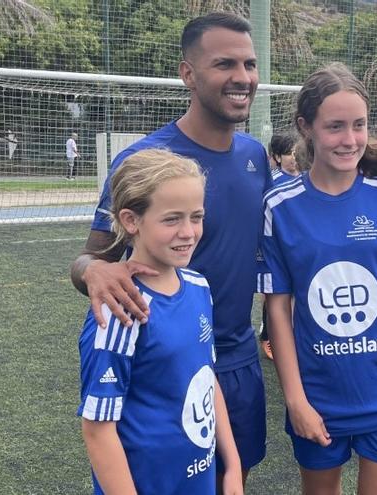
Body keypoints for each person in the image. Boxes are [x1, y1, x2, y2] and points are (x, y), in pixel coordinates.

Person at [69, 12, 269, 485]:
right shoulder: (144, 162)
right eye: (224, 64)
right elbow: (92, 258)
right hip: (165, 363)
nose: (242, 78)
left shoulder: (255, 156)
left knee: (234, 476)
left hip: (233, 360)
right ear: (188, 73)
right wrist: (93, 272)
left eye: (249, 64)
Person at [259, 63, 377, 495]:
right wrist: (295, 400)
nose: (350, 139)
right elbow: (278, 310)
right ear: (306, 128)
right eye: (335, 126)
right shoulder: (280, 205)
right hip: (318, 396)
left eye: (359, 125)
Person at [78, 149, 242, 495]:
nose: (188, 232)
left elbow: (205, 378)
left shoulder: (198, 287)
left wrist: (232, 465)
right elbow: (97, 429)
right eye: (171, 219)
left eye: (196, 217)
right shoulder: (121, 310)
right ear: (131, 220)